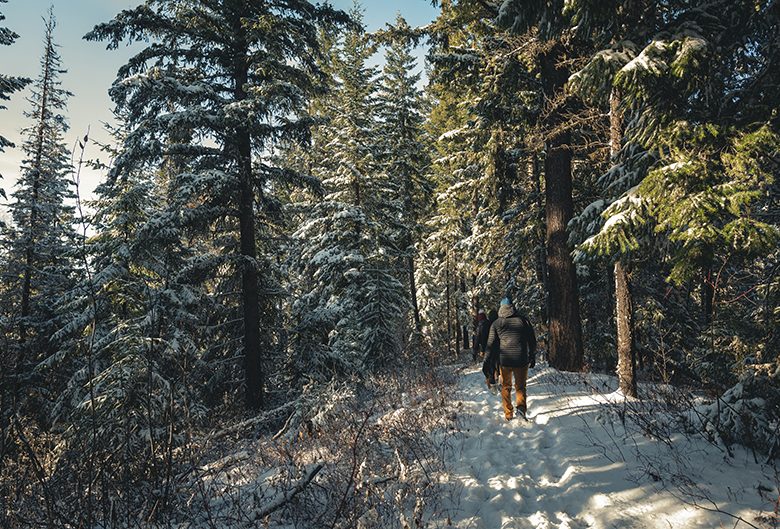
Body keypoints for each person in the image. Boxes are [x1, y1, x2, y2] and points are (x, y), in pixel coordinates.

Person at [486, 298, 537, 420]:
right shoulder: (523, 321)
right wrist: (532, 354)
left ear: (501, 308)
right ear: (512, 307)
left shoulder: (496, 323)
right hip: (521, 359)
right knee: (520, 387)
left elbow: (490, 344)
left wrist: (488, 361)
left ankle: (508, 414)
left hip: (505, 361)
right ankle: (521, 410)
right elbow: (532, 340)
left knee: (505, 387)